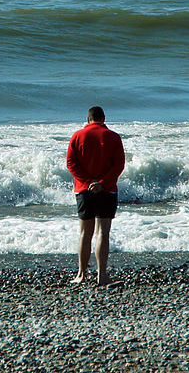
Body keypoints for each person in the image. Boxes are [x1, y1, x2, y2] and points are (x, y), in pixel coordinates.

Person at [66, 106, 125, 285]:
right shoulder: (114, 137)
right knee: (103, 233)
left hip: (84, 190)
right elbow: (119, 165)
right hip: (106, 190)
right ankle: (102, 276)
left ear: (88, 118)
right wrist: (102, 183)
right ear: (103, 118)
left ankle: (82, 275)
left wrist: (87, 181)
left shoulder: (77, 136)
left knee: (85, 233)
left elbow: (71, 163)